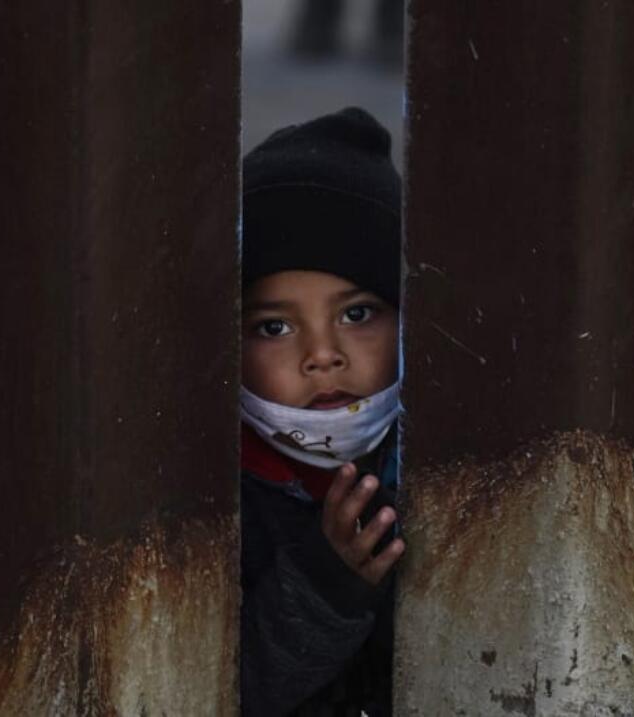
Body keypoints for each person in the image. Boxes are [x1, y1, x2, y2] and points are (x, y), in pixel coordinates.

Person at [239, 107, 405, 715]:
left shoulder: (441, 453)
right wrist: (326, 584)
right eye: (274, 326)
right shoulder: (210, 487)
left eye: (357, 314)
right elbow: (222, 691)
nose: (322, 356)